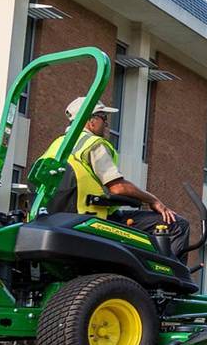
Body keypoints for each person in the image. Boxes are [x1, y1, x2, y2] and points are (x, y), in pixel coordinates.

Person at [40, 96, 190, 257]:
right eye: (104, 118)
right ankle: (169, 277)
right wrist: (153, 200)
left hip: (57, 221)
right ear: (91, 121)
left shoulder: (57, 145)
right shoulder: (93, 144)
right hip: (95, 220)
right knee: (177, 224)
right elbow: (117, 188)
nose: (106, 124)